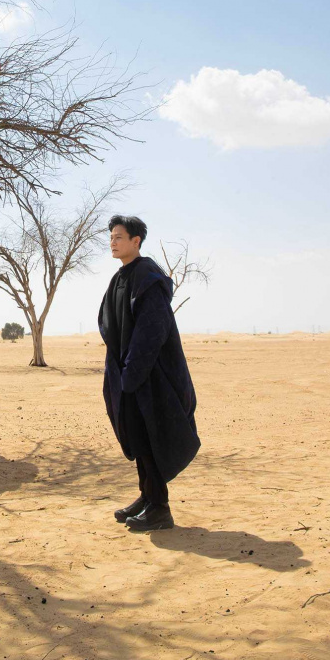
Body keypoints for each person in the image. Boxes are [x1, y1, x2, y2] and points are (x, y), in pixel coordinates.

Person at [98, 215, 200, 531]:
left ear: (135, 241)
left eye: (119, 237)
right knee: (139, 436)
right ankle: (147, 497)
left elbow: (151, 332)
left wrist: (132, 373)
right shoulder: (121, 278)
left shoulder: (147, 278)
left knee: (152, 437)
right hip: (129, 374)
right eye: (111, 237)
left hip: (151, 378)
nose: (113, 242)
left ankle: (160, 508)